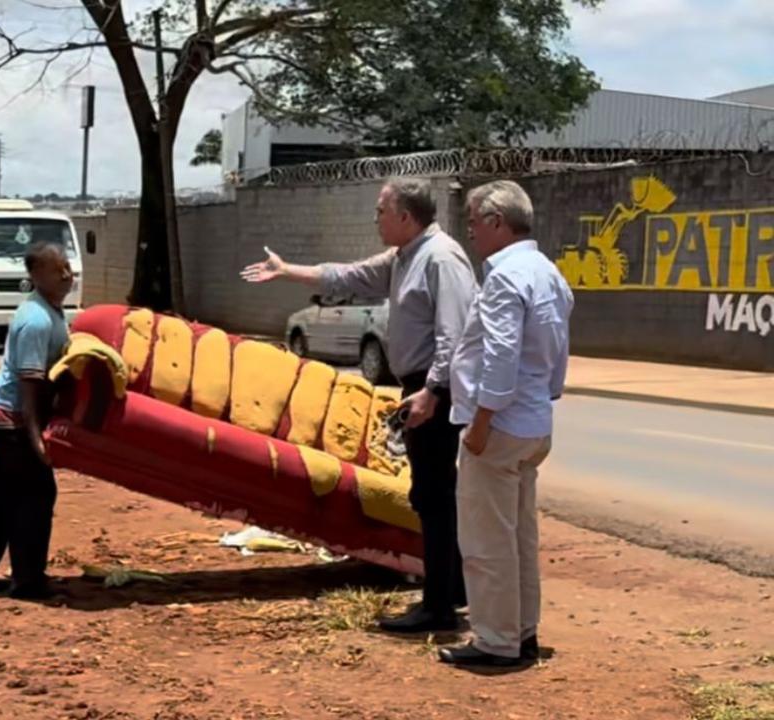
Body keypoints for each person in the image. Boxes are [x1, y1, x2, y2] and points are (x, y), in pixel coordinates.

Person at [241, 177, 478, 632]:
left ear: (405, 217)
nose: (375, 219)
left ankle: (439, 606)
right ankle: (452, 587)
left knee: (433, 495)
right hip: (421, 386)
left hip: (436, 390)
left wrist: (431, 391)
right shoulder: (403, 257)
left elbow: (456, 333)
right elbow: (347, 275)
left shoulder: (440, 258)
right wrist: (288, 269)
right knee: (430, 493)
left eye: (381, 211)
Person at [438, 180, 573, 667]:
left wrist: (480, 423)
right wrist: (545, 396)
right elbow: (556, 353)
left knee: (486, 539)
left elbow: (500, 356)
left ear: (497, 222)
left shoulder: (504, 277)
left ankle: (496, 641)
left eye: (473, 222)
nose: (470, 232)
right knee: (518, 535)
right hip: (534, 421)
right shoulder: (549, 274)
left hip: (499, 426)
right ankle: (523, 631)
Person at [0, 241, 74, 600]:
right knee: (34, 498)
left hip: (11, 416)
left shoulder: (50, 311)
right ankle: (27, 581)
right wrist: (37, 438)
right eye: (58, 270)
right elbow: (29, 382)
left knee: (0, 499)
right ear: (37, 275)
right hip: (17, 420)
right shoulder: (36, 320)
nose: (67, 275)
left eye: (67, 267)